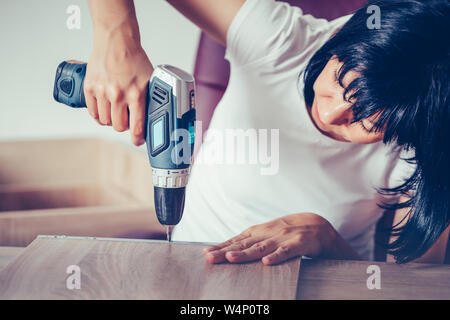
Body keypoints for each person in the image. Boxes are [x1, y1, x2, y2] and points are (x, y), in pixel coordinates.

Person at [84, 0, 450, 264]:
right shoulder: (280, 40)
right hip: (192, 272)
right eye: (339, 81)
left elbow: (406, 285)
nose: (331, 111)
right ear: (342, 38)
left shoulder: (422, 142)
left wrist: (327, 241)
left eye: (367, 120)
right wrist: (117, 42)